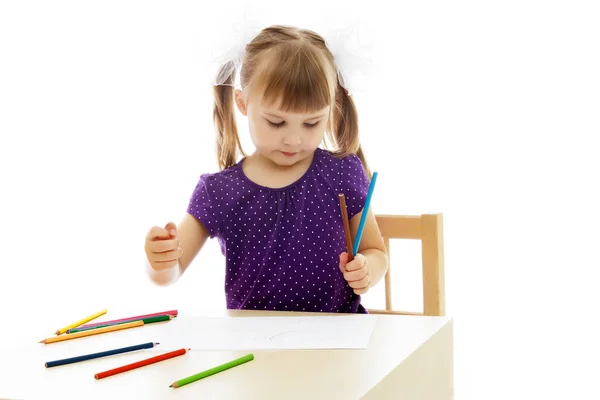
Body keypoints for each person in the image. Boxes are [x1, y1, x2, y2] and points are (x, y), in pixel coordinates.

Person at [144, 25, 387, 313]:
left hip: (338, 341)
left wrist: (367, 270)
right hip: (255, 348)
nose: (294, 139)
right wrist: (161, 261)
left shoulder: (342, 173)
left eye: (311, 123)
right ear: (243, 102)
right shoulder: (218, 192)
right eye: (276, 122)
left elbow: (376, 252)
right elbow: (170, 272)